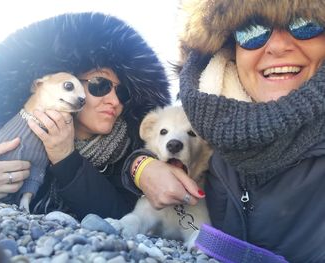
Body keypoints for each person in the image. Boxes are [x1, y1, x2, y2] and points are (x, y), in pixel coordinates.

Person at [122, 0, 325, 262]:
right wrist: (140, 166)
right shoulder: (210, 129)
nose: (277, 46)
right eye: (252, 29)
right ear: (227, 51)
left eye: (305, 24)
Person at [0, 12, 170, 220]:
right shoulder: (3, 131)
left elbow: (122, 219)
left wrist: (66, 157)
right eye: (99, 85)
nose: (114, 101)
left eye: (123, 93)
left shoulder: (127, 160)